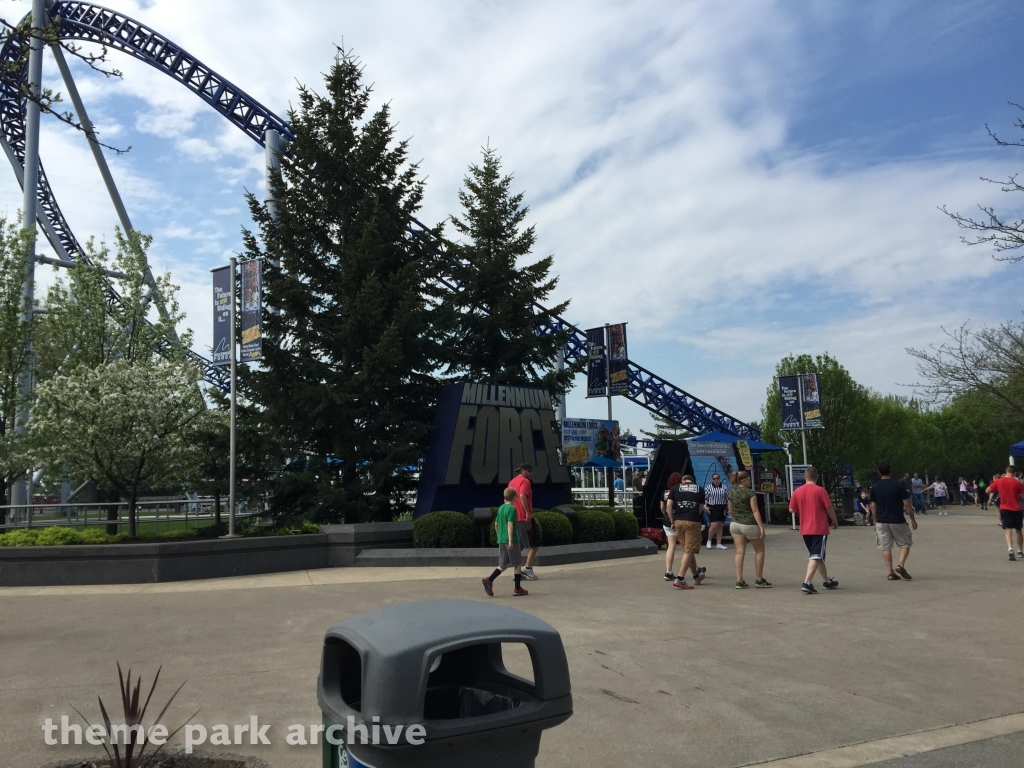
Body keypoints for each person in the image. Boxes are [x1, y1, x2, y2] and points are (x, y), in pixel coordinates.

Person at [788, 466, 839, 594]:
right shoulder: (821, 491)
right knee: (816, 555)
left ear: (805, 476)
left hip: (805, 528)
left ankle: (826, 581)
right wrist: (834, 520)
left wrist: (803, 508)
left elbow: (792, 509)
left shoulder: (797, 491)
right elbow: (829, 508)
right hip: (818, 527)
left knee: (817, 556)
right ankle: (807, 582)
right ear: (816, 477)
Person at [870, 463, 917, 581]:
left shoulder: (875, 487)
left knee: (885, 547)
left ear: (879, 472)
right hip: (897, 519)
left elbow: (873, 505)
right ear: (890, 471)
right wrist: (912, 519)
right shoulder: (898, 485)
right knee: (905, 543)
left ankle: (890, 572)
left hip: (881, 520)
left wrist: (874, 521)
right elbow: (906, 503)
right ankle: (900, 564)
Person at [482, 487, 528, 597]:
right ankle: (517, 588)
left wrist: (499, 536)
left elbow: (496, 524)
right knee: (517, 563)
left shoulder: (501, 508)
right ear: (514, 497)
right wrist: (511, 540)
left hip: (502, 540)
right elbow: (510, 524)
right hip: (512, 540)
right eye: (516, 496)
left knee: (503, 564)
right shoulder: (512, 509)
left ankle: (490, 579)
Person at [727, 471, 770, 588]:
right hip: (749, 524)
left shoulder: (731, 492)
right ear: (743, 481)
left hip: (735, 524)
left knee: (739, 552)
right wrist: (761, 527)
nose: (750, 482)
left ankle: (739, 581)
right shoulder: (750, 492)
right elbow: (755, 511)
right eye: (749, 480)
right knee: (760, 550)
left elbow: (730, 511)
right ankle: (759, 579)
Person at [665, 473, 708, 590]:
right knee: (689, 550)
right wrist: (695, 515)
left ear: (683, 481)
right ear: (692, 481)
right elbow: (700, 507)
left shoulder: (675, 488)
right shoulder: (700, 489)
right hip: (692, 521)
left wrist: (672, 521)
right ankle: (680, 578)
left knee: (687, 549)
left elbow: (668, 505)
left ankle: (696, 575)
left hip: (678, 521)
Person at [509, 463, 540, 580]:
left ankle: (518, 571)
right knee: (534, 543)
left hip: (515, 517)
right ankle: (527, 569)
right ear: (522, 471)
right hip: (524, 518)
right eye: (529, 471)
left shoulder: (512, 482)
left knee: (520, 545)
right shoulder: (525, 482)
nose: (531, 473)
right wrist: (527, 512)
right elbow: (522, 496)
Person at [987, 466, 1024, 561]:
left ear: (1006, 471)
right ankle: (1020, 551)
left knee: (1007, 529)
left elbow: (987, 490)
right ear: (1014, 473)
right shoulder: (1017, 482)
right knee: (1018, 530)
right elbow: (1023, 496)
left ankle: (1010, 549)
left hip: (1004, 508)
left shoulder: (999, 481)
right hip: (1017, 508)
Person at [704, 473, 729, 550]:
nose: (716, 480)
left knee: (720, 526)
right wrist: (705, 507)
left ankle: (719, 543)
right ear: (712, 479)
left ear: (719, 479)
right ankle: (709, 541)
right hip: (712, 507)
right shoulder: (708, 488)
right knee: (714, 525)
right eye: (714, 479)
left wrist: (729, 508)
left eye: (717, 478)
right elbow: (705, 499)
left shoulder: (724, 487)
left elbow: (728, 499)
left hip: (722, 507)